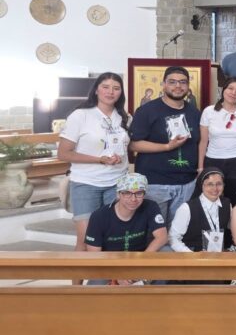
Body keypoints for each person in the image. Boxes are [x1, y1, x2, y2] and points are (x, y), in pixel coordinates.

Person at [57, 72, 130, 259]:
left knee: (113, 238)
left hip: (117, 183)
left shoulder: (125, 117)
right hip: (86, 183)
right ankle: (77, 289)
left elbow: (130, 147)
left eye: (116, 88)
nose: (110, 92)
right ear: (96, 90)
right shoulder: (80, 115)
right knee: (85, 241)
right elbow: (63, 153)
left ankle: (109, 285)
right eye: (105, 87)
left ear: (121, 92)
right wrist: (99, 159)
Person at [128, 66, 201, 222]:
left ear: (188, 86)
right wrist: (167, 147)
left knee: (178, 232)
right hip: (156, 183)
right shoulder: (147, 110)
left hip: (187, 183)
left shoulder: (194, 113)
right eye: (172, 82)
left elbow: (199, 143)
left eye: (183, 82)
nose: (178, 86)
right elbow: (134, 145)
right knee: (156, 233)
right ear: (163, 84)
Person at [198, 77, 236, 205]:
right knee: (212, 199)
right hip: (213, 160)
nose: (233, 93)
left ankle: (235, 225)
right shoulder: (209, 111)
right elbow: (203, 141)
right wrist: (200, 167)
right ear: (223, 90)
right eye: (230, 88)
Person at [85, 173, 168, 255]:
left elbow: (162, 237)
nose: (133, 199)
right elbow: (94, 254)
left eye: (139, 193)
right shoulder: (99, 216)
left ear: (144, 194)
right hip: (109, 261)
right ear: (118, 194)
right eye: (127, 193)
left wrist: (142, 260)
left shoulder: (150, 206)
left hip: (139, 258)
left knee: (167, 250)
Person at [168, 168, 234, 253]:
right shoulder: (186, 208)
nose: (215, 188)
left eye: (219, 184)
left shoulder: (227, 204)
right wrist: (192, 256)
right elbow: (173, 238)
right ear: (201, 185)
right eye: (210, 184)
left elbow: (234, 229)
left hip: (218, 256)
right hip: (192, 257)